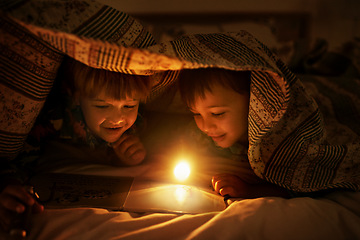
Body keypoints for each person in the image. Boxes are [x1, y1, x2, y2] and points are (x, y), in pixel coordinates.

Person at [0, 57, 153, 233]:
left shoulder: (136, 124)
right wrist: (9, 183)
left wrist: (130, 158)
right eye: (102, 106)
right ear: (78, 98)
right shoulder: (56, 119)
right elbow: (20, 159)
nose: (118, 118)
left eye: (129, 106)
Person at [178, 68, 290, 199]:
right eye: (196, 114)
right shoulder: (197, 136)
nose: (206, 127)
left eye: (217, 113)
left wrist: (250, 191)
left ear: (255, 101)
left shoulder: (280, 142)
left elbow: (298, 188)